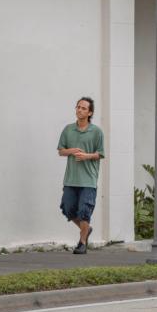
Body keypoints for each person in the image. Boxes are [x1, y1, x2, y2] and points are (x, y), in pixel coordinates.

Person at [57, 97, 105, 254]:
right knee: (68, 209)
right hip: (71, 179)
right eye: (78, 107)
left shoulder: (97, 132)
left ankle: (82, 243)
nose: (79, 110)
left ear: (90, 112)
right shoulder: (68, 129)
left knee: (84, 211)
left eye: (84, 108)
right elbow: (61, 151)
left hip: (88, 180)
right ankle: (87, 229)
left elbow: (100, 154)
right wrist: (71, 151)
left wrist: (87, 156)